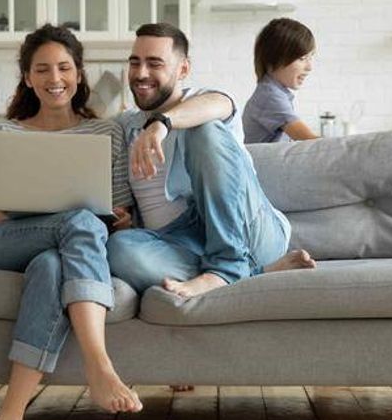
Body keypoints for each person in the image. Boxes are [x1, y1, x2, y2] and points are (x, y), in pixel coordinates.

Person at [0, 24, 143, 420]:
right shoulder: (3, 133)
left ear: (79, 74)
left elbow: (118, 203)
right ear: (27, 77)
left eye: (64, 67)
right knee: (77, 221)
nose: (54, 78)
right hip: (6, 240)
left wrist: (121, 216)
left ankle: (9, 418)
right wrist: (19, 208)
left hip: (61, 249)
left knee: (52, 266)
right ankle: (99, 366)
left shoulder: (106, 133)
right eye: (42, 69)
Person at [107, 23, 316, 300]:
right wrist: (124, 219)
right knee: (118, 249)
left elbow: (218, 105)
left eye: (154, 63)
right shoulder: (125, 125)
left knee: (203, 127)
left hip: (248, 229)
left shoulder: (208, 101)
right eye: (135, 63)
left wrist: (162, 123)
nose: (141, 73)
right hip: (180, 241)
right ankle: (252, 272)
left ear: (183, 69)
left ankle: (226, 266)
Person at [242, 18, 319, 144]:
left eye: (310, 57)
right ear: (274, 59)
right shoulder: (270, 96)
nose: (309, 67)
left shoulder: (273, 92)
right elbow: (312, 142)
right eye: (302, 58)